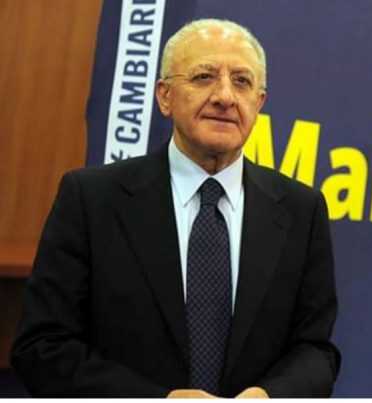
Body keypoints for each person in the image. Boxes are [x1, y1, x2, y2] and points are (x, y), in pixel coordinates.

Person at [11, 19, 340, 398]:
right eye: (203, 77)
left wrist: (268, 396)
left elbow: (316, 351)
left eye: (242, 82)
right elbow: (42, 347)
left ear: (259, 102)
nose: (225, 96)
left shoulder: (301, 211)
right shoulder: (91, 199)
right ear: (164, 96)